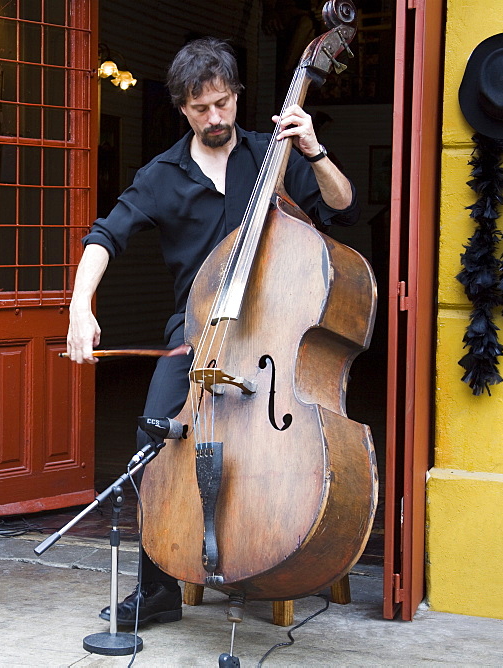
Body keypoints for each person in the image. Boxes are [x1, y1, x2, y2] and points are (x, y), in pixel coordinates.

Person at [65, 37, 360, 628]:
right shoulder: (163, 174)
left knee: (275, 450)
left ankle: (275, 555)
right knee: (154, 443)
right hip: (197, 331)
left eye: (223, 104)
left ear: (235, 97)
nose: (216, 118)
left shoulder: (270, 154)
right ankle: (157, 591)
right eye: (202, 109)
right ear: (183, 108)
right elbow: (104, 236)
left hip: (278, 331)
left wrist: (314, 150)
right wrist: (79, 305)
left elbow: (343, 205)